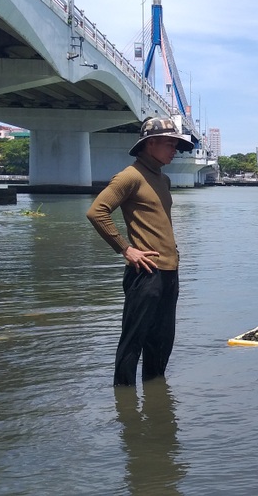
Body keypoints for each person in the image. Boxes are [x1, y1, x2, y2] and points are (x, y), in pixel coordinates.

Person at [87, 117, 194, 386]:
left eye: (176, 145)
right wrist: (126, 249)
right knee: (133, 341)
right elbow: (97, 212)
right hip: (145, 273)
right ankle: (124, 399)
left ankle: (156, 399)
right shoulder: (130, 176)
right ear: (150, 144)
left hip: (169, 271)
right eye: (170, 144)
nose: (174, 150)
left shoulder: (163, 179)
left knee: (162, 341)